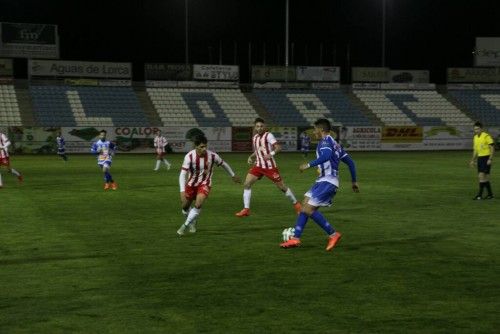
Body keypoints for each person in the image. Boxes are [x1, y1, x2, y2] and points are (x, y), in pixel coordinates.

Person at [280, 118, 359, 251]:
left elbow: (327, 155)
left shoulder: (325, 142)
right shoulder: (335, 144)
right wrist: (354, 181)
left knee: (308, 209)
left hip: (328, 181)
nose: (314, 132)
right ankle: (296, 238)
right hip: (322, 180)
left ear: (321, 130)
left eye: (315, 129)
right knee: (304, 204)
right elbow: (350, 162)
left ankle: (333, 234)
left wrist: (308, 165)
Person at [235, 118, 302, 217]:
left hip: (270, 167)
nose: (260, 128)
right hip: (258, 166)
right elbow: (258, 150)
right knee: (247, 184)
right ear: (255, 127)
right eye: (257, 126)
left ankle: (297, 205)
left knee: (282, 187)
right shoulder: (255, 138)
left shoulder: (268, 135)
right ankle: (246, 209)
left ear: (265, 127)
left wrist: (271, 154)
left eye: (261, 126)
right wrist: (251, 156)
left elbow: (278, 147)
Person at [177, 134, 240, 235]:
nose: (204, 149)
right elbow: (182, 174)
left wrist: (232, 175)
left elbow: (224, 164)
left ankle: (185, 225)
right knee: (185, 207)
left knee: (198, 204)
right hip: (191, 184)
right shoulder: (189, 157)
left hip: (205, 183)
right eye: (201, 147)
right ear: (196, 146)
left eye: (205, 146)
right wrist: (182, 190)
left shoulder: (212, 156)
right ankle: (192, 221)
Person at [470, 121, 494, 200]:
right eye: (475, 129)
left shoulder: (486, 136)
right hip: (480, 158)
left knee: (481, 177)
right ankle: (490, 195)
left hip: (486, 158)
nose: (476, 130)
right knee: (485, 178)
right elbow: (475, 150)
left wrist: (490, 159)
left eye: (477, 129)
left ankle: (479, 195)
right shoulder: (475, 137)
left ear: (481, 129)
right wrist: (473, 160)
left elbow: (492, 148)